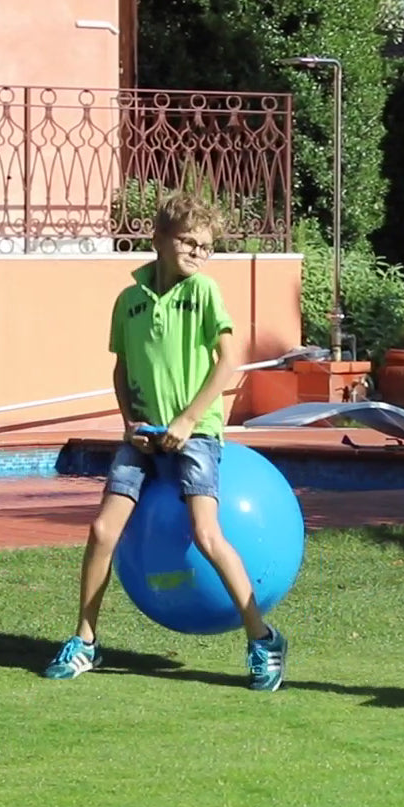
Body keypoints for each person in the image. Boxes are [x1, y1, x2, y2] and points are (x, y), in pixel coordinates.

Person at [42, 192, 289, 690]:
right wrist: (131, 422)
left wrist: (188, 420)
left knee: (205, 533)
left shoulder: (204, 293)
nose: (198, 253)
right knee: (102, 531)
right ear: (158, 239)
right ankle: (85, 642)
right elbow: (122, 368)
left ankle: (263, 640)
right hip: (145, 434)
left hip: (195, 434)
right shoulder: (129, 302)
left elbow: (227, 362)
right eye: (188, 242)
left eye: (206, 246)